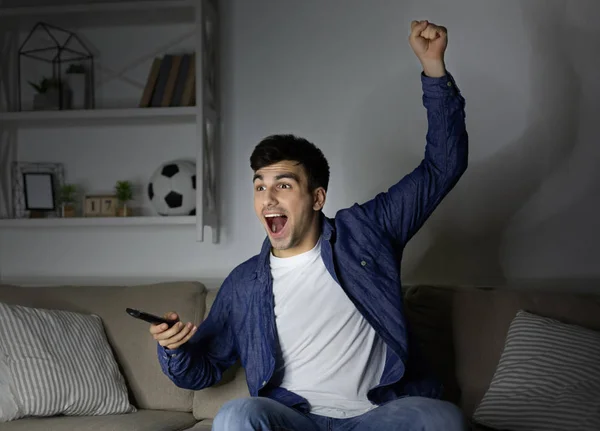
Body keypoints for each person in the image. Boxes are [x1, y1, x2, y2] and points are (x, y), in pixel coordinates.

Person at [151, 19, 468, 431]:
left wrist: (433, 71)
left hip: (377, 417)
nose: (268, 198)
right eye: (260, 186)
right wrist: (174, 349)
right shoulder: (245, 283)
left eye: (283, 185)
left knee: (441, 418)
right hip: (295, 421)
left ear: (317, 198)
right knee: (234, 415)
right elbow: (205, 370)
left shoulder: (368, 232)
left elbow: (443, 167)